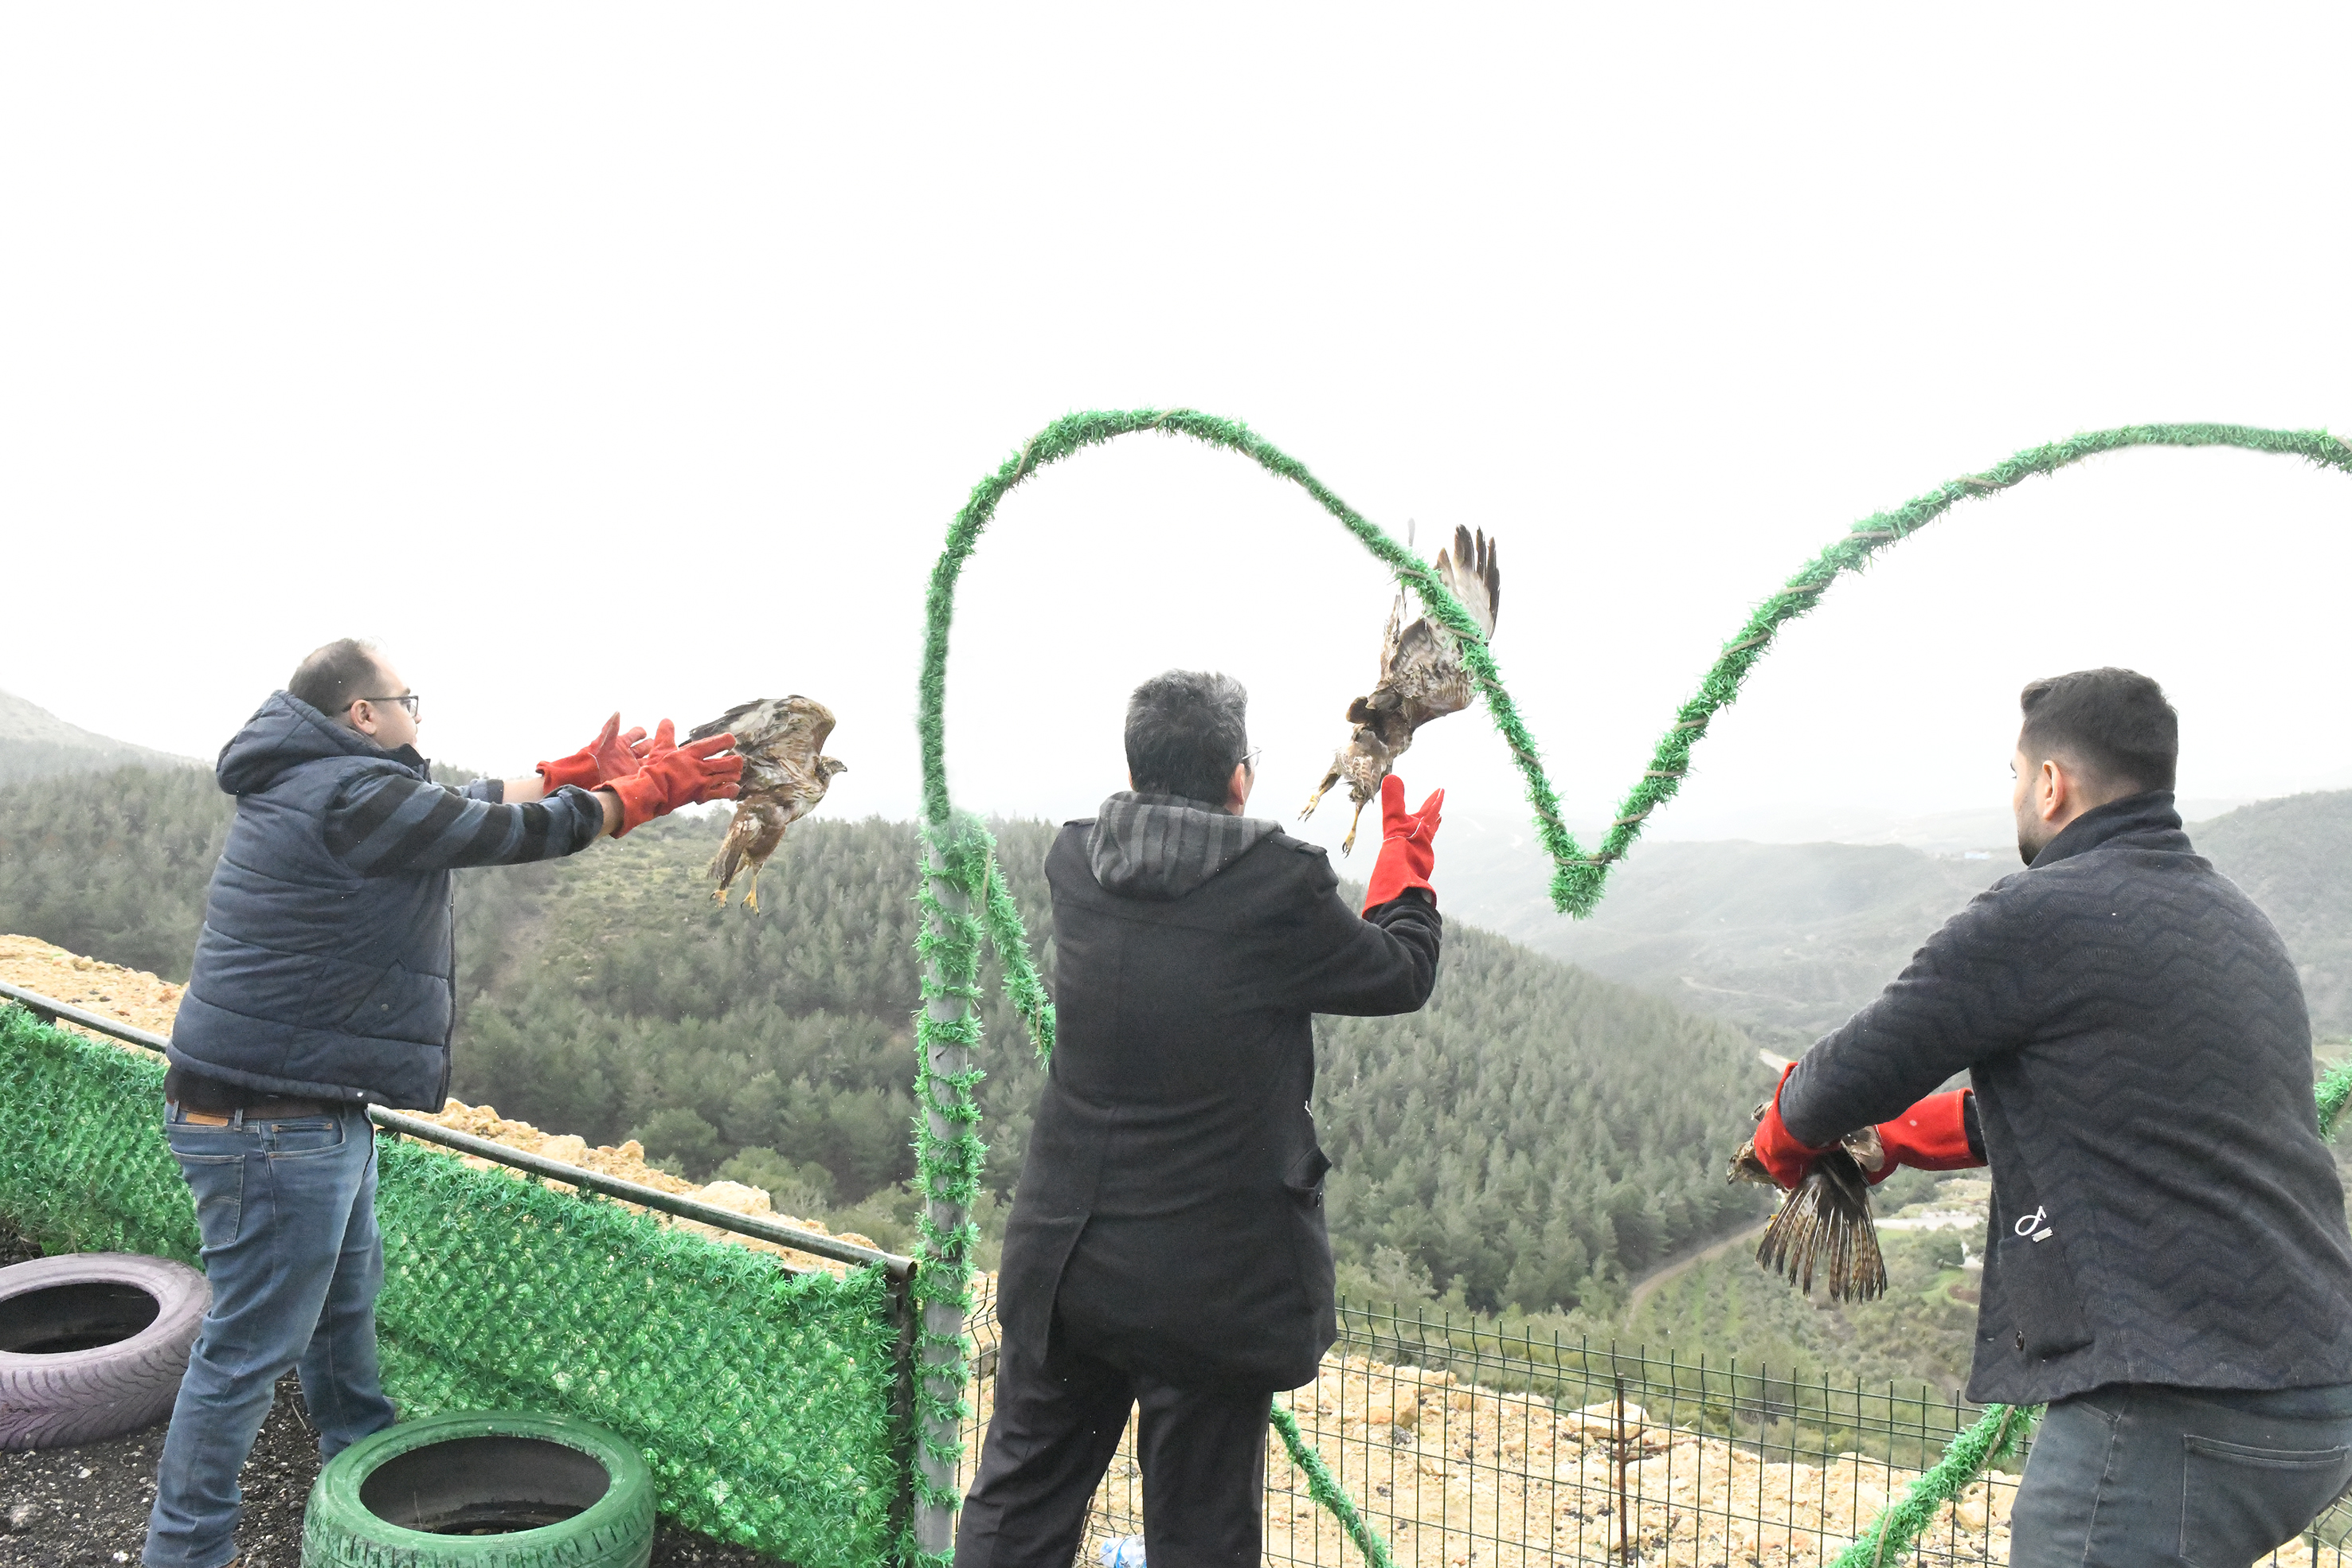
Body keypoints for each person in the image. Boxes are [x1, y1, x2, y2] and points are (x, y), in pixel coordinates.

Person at [143, 639, 740, 1568]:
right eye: (408, 698)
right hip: (273, 1124)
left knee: (339, 1327)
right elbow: (506, 835)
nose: (419, 713)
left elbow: (456, 806)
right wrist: (638, 794)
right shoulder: (349, 793)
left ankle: (367, 1504)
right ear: (363, 716)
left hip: (303, 1109)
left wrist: (562, 772)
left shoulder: (324, 782)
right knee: (246, 1353)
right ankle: (185, 1554)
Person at [1746, 667, 2352, 1567]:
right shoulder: (2233, 920)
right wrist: (1900, 1140)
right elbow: (2097, 1106)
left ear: (2050, 783)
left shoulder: (2036, 915)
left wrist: (1781, 1137)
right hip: (2313, 1392)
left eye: (2014, 774)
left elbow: (1847, 1072)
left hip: (2176, 1395)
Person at [956, 670, 1445, 1568]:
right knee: (1200, 1535)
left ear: (1135, 771)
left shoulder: (1077, 863)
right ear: (1239, 778)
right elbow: (1397, 974)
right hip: (1206, 1288)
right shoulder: (1278, 892)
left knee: (1018, 1503)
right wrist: (1403, 862)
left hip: (1065, 1260)